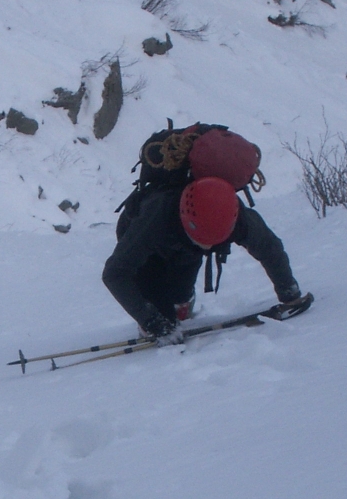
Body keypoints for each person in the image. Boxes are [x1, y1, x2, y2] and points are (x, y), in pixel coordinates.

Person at [102, 128, 303, 343]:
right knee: (162, 315)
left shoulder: (234, 214)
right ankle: (155, 320)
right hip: (146, 245)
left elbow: (269, 248)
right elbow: (115, 274)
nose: (207, 248)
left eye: (211, 244)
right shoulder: (156, 215)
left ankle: (181, 304)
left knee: (180, 295)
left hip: (185, 247)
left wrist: (288, 292)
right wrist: (151, 321)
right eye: (202, 241)